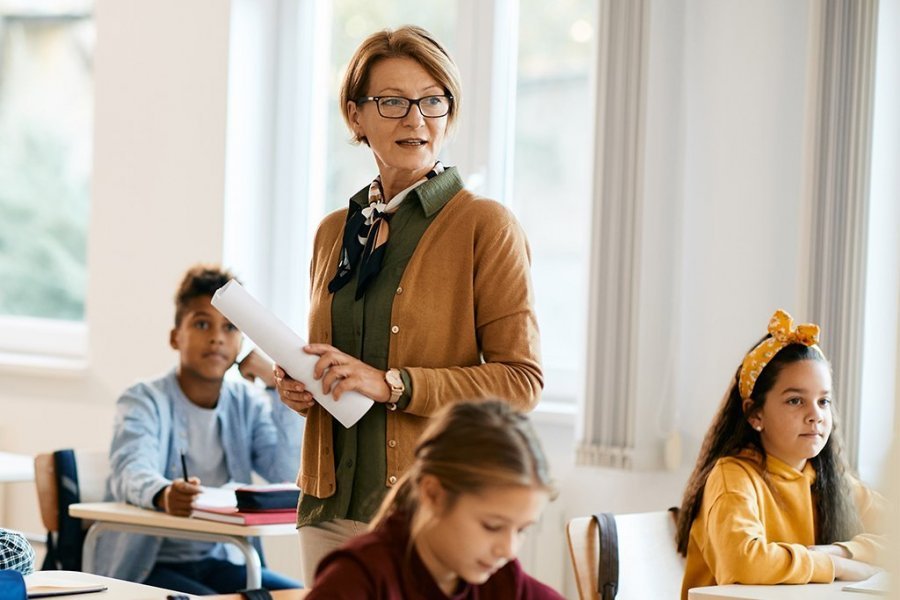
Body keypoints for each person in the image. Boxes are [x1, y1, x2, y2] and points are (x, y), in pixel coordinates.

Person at [273, 25, 542, 580]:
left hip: (427, 512)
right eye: (392, 102)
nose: (415, 119)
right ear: (356, 116)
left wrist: (394, 384)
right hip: (327, 505)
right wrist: (303, 385)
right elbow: (344, 369)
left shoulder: (485, 226)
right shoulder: (333, 231)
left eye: (432, 101)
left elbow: (521, 382)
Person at [90, 265, 304, 594]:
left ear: (242, 342)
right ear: (175, 337)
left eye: (230, 327)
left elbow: (286, 470)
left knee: (308, 594)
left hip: (222, 559)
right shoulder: (143, 400)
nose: (217, 336)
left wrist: (277, 385)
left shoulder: (245, 403)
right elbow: (129, 470)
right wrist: (163, 494)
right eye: (202, 323)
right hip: (148, 566)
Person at [676, 309, 887, 599]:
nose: (815, 415)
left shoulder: (828, 480)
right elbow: (744, 562)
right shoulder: (733, 477)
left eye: (823, 401)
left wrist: (843, 550)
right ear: (754, 413)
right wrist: (836, 566)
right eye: (795, 400)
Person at [305, 400, 562, 599]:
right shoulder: (355, 581)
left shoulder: (505, 582)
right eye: (492, 526)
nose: (508, 550)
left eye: (521, 530)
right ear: (433, 494)